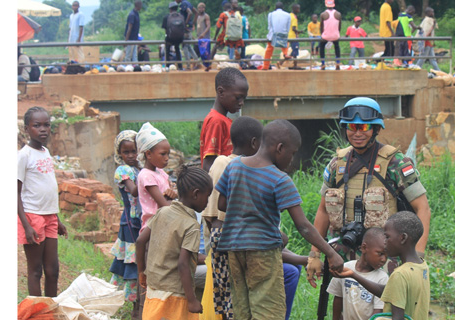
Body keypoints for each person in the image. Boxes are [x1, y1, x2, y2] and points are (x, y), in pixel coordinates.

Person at [215, 119, 344, 319]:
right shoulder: (279, 179)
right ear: (280, 148)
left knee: (243, 309)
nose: (292, 160)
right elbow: (303, 226)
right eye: (292, 153)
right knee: (268, 311)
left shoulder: (234, 167)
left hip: (234, 250)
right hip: (263, 254)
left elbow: (222, 204)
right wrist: (330, 253)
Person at [307, 97, 432, 285]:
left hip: (384, 256)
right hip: (343, 253)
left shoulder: (395, 163)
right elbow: (323, 210)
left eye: (364, 127)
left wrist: (418, 257)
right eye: (352, 127)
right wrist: (314, 254)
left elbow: (422, 209)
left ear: (376, 129)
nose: (357, 133)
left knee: (385, 310)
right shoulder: (337, 163)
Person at [202, 116, 263, 320]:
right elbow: (215, 211)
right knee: (232, 298)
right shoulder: (232, 165)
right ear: (255, 143)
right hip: (228, 238)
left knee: (228, 299)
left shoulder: (225, 163)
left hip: (221, 236)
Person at [136, 165, 213, 320]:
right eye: (208, 196)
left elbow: (140, 241)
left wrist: (141, 272)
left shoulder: (163, 212)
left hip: (154, 291)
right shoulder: (191, 226)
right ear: (196, 194)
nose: (208, 201)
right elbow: (183, 264)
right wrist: (192, 300)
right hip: (176, 297)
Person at [334, 211, 430, 320]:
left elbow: (397, 318)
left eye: (387, 236)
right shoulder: (422, 267)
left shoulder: (400, 274)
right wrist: (354, 275)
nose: (385, 242)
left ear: (402, 238)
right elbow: (390, 291)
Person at [18, 107, 68, 297]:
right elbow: (15, 193)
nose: (43, 129)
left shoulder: (45, 151)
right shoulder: (24, 155)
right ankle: (38, 313)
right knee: (36, 270)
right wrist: (26, 225)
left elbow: (46, 187)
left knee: (53, 270)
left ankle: (51, 311)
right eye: (36, 125)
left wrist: (58, 220)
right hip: (32, 217)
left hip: (50, 218)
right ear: (26, 129)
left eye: (46, 125)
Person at [108, 130, 142, 317]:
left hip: (141, 221)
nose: (130, 156)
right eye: (126, 152)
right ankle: (134, 307)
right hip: (130, 222)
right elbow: (134, 191)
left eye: (134, 151)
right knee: (133, 262)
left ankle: (140, 307)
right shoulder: (123, 170)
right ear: (119, 153)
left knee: (140, 261)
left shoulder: (141, 169)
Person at [327, 227, 389, 320]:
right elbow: (338, 298)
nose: (384, 259)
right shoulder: (346, 268)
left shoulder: (382, 278)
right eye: (380, 253)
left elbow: (378, 312)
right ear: (364, 248)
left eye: (386, 254)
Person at [200, 68, 248, 172]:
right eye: (238, 97)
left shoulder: (223, 120)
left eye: (244, 99)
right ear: (221, 92)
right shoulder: (216, 121)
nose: (241, 103)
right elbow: (208, 165)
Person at [136, 122, 177, 232]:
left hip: (164, 222)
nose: (167, 158)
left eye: (168, 154)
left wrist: (172, 194)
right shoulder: (146, 175)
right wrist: (172, 197)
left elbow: (170, 191)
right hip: (153, 226)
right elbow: (163, 203)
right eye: (163, 154)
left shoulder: (160, 172)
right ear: (148, 154)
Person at [263, 2, 292, 70]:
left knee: (269, 50)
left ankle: (265, 66)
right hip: (283, 35)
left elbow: (269, 26)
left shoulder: (271, 14)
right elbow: (288, 28)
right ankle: (285, 54)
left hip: (273, 35)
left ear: (275, 8)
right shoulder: (288, 15)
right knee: (285, 43)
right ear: (283, 8)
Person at [177, 0, 200, 70]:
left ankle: (188, 65)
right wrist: (192, 23)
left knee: (185, 47)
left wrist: (185, 24)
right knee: (188, 46)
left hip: (185, 29)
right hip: (188, 28)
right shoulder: (188, 3)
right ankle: (197, 61)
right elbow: (196, 12)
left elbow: (190, 13)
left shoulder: (183, 3)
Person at [415, 7, 441, 71]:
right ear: (428, 13)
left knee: (432, 59)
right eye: (432, 12)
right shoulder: (427, 20)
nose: (433, 13)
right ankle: (416, 69)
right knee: (423, 57)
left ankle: (439, 71)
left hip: (429, 41)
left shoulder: (429, 20)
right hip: (426, 42)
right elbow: (426, 31)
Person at [320, 0, 342, 70]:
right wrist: (337, 33)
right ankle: (338, 62)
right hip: (335, 35)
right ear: (333, 4)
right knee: (337, 46)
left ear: (326, 4)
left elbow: (321, 26)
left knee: (321, 46)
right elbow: (339, 26)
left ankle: (323, 64)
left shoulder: (323, 14)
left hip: (326, 36)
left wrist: (322, 34)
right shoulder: (338, 14)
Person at [162, 2, 184, 70]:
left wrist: (169, 35)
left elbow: (165, 28)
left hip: (170, 38)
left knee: (167, 50)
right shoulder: (181, 16)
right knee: (177, 49)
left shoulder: (167, 17)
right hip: (179, 38)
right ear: (177, 8)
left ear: (170, 9)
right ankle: (180, 66)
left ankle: (167, 66)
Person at [195, 3, 212, 71]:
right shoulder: (198, 17)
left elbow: (208, 26)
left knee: (205, 53)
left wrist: (203, 34)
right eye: (199, 8)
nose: (200, 9)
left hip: (205, 38)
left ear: (204, 9)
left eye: (202, 8)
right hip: (199, 38)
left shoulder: (206, 16)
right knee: (196, 51)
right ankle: (197, 64)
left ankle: (208, 66)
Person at [288, 4, 303, 70]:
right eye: (297, 9)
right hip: (293, 36)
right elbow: (293, 28)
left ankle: (281, 62)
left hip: (289, 35)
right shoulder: (294, 17)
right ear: (294, 9)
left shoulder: (289, 15)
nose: (299, 10)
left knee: (294, 50)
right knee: (295, 50)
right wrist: (299, 31)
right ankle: (295, 65)